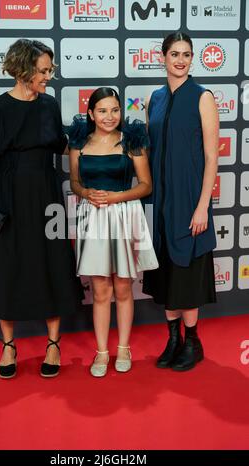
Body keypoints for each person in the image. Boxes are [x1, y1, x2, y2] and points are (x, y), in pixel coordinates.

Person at [0, 39, 83, 379]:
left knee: (52, 262)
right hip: (6, 196)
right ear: (23, 70)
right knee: (6, 265)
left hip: (46, 194)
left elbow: (64, 146)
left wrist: (105, 140)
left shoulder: (49, 106)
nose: (49, 76)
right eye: (43, 70)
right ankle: (8, 346)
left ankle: (53, 343)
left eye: (50, 70)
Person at [69, 87, 158, 377]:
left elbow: (146, 185)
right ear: (91, 114)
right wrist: (86, 192)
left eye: (115, 110)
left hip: (124, 215)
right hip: (92, 217)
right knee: (100, 289)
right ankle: (101, 352)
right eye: (103, 111)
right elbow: (74, 183)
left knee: (122, 287)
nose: (110, 116)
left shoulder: (131, 140)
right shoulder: (79, 142)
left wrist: (114, 197)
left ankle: (123, 348)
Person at [142, 32, 219, 371]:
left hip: (190, 201)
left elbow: (212, 157)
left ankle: (194, 341)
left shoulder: (203, 97)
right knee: (167, 275)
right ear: (162, 56)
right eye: (174, 53)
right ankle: (173, 338)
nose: (180, 60)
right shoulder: (154, 99)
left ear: (192, 58)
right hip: (160, 202)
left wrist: (203, 206)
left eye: (187, 54)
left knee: (187, 274)